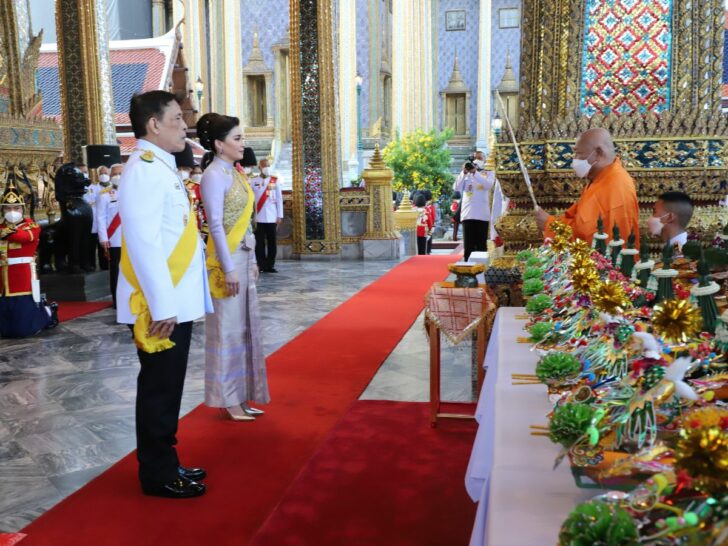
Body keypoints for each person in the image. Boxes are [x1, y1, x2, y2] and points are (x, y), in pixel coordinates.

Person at [118, 90, 212, 499]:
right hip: (161, 305)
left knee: (169, 385)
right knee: (159, 387)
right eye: (177, 118)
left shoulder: (161, 167)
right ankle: (157, 473)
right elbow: (143, 243)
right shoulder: (143, 168)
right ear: (153, 124)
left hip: (175, 299)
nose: (184, 126)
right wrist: (162, 305)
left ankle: (167, 461)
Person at [198, 112, 270, 422]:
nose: (244, 144)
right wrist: (228, 268)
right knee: (227, 330)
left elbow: (248, 224)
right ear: (218, 144)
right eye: (237, 138)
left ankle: (243, 395)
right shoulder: (213, 175)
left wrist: (252, 261)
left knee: (244, 328)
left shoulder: (236, 173)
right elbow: (214, 224)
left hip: (242, 257)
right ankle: (227, 398)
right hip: (224, 261)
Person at [536, 128, 640, 247]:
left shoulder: (616, 184)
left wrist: (550, 224)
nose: (574, 159)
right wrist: (551, 222)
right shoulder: (599, 180)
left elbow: (589, 236)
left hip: (609, 263)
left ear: (598, 153)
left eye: (579, 153)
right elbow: (579, 220)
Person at [0, 182, 58, 338]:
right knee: (4, 330)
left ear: (22, 209)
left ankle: (48, 312)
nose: (12, 212)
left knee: (23, 330)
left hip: (22, 279)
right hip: (3, 281)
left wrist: (6, 232)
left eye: (16, 208)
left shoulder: (31, 226)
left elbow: (23, 237)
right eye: (8, 208)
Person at [453, 161, 495, 261]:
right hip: (467, 214)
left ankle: (481, 269)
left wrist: (475, 173)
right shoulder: (465, 174)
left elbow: (488, 185)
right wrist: (463, 173)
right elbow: (456, 187)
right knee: (468, 245)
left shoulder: (488, 173)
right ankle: (468, 269)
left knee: (481, 245)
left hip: (482, 215)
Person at [252, 158, 284, 273]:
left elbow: (279, 199)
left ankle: (270, 265)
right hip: (258, 216)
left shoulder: (275, 180)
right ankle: (261, 265)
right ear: (259, 167)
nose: (267, 167)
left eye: (268, 165)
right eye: (264, 165)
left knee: (272, 242)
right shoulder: (253, 181)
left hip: (272, 216)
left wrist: (279, 215)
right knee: (259, 242)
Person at [97, 169, 122, 308]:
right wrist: (103, 238)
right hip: (115, 238)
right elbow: (100, 217)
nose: (117, 177)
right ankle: (118, 301)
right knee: (116, 272)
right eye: (115, 174)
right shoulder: (105, 194)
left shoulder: (132, 190)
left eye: (120, 174)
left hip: (131, 238)